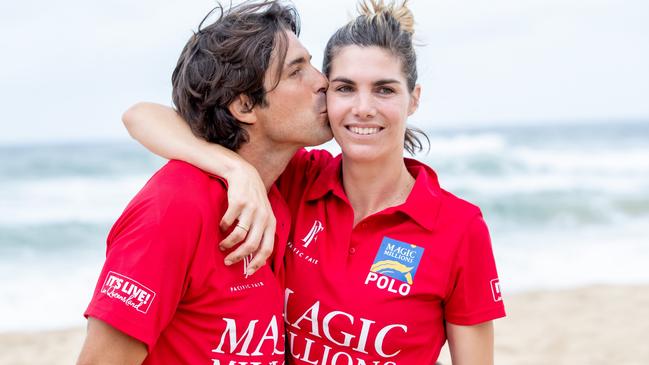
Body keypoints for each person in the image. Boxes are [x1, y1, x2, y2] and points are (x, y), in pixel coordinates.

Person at [123, 1, 506, 363]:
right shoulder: (297, 181)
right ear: (327, 93)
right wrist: (234, 169)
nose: (363, 108)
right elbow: (142, 116)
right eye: (344, 87)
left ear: (414, 99)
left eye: (385, 89)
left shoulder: (459, 228)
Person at [76, 1, 332, 364]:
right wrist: (235, 168)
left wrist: (238, 169)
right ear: (244, 106)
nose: (323, 81)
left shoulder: (285, 182)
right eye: (296, 71)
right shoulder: (175, 207)